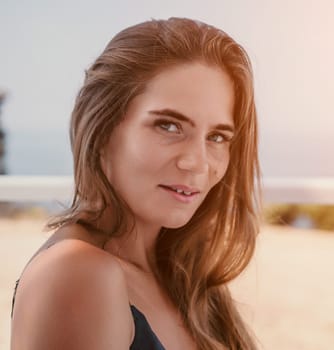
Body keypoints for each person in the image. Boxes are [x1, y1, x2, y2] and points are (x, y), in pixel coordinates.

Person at [10, 17, 261, 350]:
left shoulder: (178, 272)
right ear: (102, 130)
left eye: (217, 136)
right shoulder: (78, 273)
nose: (197, 162)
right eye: (169, 126)